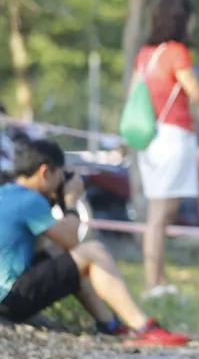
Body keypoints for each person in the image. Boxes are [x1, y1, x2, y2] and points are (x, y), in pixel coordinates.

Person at [0, 139, 189, 345]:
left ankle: (109, 325)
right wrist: (71, 201)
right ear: (46, 171)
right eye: (60, 174)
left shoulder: (8, 193)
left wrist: (55, 201)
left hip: (8, 297)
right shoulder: (31, 200)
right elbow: (71, 240)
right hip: (10, 299)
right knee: (92, 251)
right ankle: (144, 326)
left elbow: (43, 251)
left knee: (67, 259)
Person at [133, 0, 199, 298]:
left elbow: (137, 91)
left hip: (149, 138)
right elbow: (197, 94)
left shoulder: (146, 54)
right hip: (173, 135)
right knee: (161, 213)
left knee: (160, 211)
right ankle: (153, 284)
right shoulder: (176, 52)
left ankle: (157, 280)